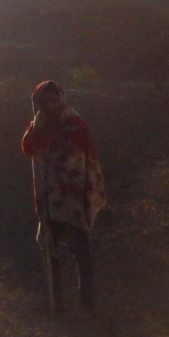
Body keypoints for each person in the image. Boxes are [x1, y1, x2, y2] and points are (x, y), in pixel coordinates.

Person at [21, 80, 106, 311]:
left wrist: (49, 135)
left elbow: (74, 157)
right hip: (50, 197)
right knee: (49, 248)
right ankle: (55, 299)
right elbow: (28, 147)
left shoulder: (74, 123)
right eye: (43, 101)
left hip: (72, 196)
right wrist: (42, 130)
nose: (49, 104)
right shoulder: (38, 123)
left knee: (81, 251)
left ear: (61, 98)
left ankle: (86, 304)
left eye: (53, 99)